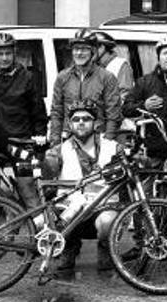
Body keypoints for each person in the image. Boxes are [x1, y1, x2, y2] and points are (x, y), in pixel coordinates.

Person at [44, 99, 122, 279]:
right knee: (49, 217)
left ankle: (106, 251)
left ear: (96, 123)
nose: (80, 122)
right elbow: (47, 187)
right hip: (72, 212)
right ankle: (68, 249)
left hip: (102, 209)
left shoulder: (113, 148)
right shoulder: (59, 151)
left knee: (107, 222)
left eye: (86, 119)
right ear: (70, 124)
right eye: (76, 119)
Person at [0, 32, 47, 209]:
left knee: (27, 191)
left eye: (8, 53)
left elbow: (38, 111)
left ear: (14, 53)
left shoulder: (27, 78)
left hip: (20, 144)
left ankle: (40, 230)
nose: (4, 58)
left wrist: (40, 135)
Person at [49, 29, 122, 145]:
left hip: (98, 140)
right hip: (69, 140)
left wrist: (108, 142)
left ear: (93, 51)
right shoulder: (62, 77)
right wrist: (55, 142)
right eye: (76, 49)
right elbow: (56, 112)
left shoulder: (107, 78)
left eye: (84, 49)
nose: (79, 53)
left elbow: (113, 115)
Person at [93, 31, 134, 101]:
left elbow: (125, 96)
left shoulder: (120, 65)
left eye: (91, 48)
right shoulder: (92, 66)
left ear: (101, 48)